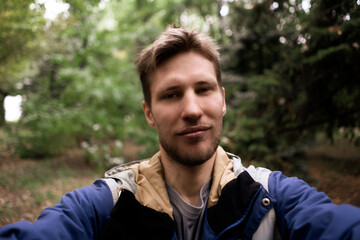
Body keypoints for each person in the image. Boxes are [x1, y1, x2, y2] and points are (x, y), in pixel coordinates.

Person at [1, 26, 360, 240]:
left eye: (203, 89)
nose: (191, 109)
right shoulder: (107, 204)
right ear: (150, 114)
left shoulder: (274, 197)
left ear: (222, 100)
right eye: (171, 95)